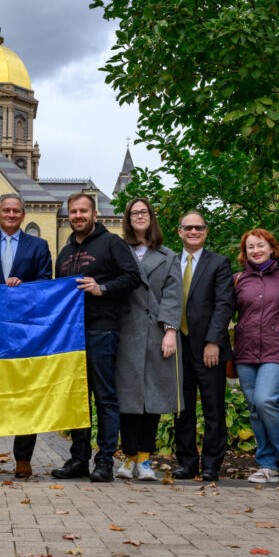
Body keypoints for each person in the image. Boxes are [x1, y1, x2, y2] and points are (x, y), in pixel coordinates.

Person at [51, 193, 141, 483]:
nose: (78, 216)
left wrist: (102, 287)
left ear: (94, 213)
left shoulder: (112, 243)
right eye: (73, 211)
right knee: (78, 398)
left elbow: (132, 277)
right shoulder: (65, 253)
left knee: (105, 398)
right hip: (71, 335)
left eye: (83, 211)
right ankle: (79, 459)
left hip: (102, 329)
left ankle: (104, 461)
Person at [0, 193, 53, 479]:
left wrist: (24, 285)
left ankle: (23, 459)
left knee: (25, 393)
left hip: (24, 332)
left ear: (23, 215)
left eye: (16, 211)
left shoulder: (38, 245)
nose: (11, 215)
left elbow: (45, 283)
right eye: (6, 210)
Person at [115, 198, 183, 481]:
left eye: (144, 212)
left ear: (151, 217)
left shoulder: (168, 256)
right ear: (128, 219)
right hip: (124, 332)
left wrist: (170, 331)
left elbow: (173, 294)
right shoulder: (118, 251)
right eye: (134, 213)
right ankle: (128, 457)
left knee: (152, 397)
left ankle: (144, 459)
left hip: (156, 332)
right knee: (127, 398)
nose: (139, 216)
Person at [172, 210, 235, 483]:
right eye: (188, 228)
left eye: (199, 227)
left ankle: (211, 464)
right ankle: (186, 463)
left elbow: (224, 305)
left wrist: (213, 342)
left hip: (209, 348)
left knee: (213, 409)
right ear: (180, 232)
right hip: (177, 347)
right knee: (182, 409)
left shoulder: (219, 263)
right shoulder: (170, 262)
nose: (194, 232)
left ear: (206, 231)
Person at [232, 228, 279, 484]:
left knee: (266, 400)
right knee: (255, 409)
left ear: (272, 248)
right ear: (244, 252)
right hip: (246, 351)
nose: (256, 251)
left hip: (278, 349)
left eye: (260, 245)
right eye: (250, 247)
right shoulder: (238, 280)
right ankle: (266, 464)